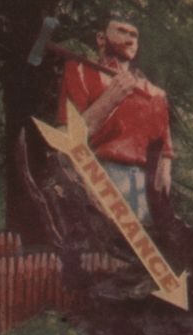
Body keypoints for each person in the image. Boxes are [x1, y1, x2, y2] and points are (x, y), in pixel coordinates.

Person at [58, 13, 173, 222]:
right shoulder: (80, 72)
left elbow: (165, 153)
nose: (130, 40)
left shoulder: (155, 94)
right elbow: (67, 139)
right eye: (121, 31)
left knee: (136, 253)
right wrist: (110, 99)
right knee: (101, 251)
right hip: (99, 175)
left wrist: (161, 196)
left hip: (144, 187)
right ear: (101, 38)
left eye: (134, 35)